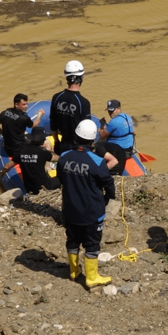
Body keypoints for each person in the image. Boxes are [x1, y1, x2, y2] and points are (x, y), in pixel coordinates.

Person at [57, 119, 116, 288]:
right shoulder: (97, 161)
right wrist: (108, 198)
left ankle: (73, 271)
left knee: (72, 241)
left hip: (70, 210)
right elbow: (108, 183)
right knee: (92, 244)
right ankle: (91, 277)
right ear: (93, 140)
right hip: (92, 212)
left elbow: (61, 178)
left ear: (76, 137)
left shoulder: (64, 157)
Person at [0, 93, 41, 176]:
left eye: (26, 104)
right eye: (23, 104)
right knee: (42, 145)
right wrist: (39, 115)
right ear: (16, 104)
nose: (26, 106)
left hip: (7, 147)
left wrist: (3, 133)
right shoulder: (24, 118)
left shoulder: (4, 113)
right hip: (19, 148)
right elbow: (34, 125)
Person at [50, 60, 91, 155]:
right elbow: (86, 129)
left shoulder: (56, 97)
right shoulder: (83, 103)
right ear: (81, 78)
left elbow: (53, 123)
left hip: (62, 143)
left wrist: (56, 142)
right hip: (77, 147)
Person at [18, 128, 60, 193]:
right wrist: (52, 151)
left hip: (28, 187)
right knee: (61, 179)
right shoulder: (42, 152)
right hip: (43, 186)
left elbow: (8, 166)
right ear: (42, 140)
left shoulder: (22, 151)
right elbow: (58, 158)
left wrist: (2, 172)